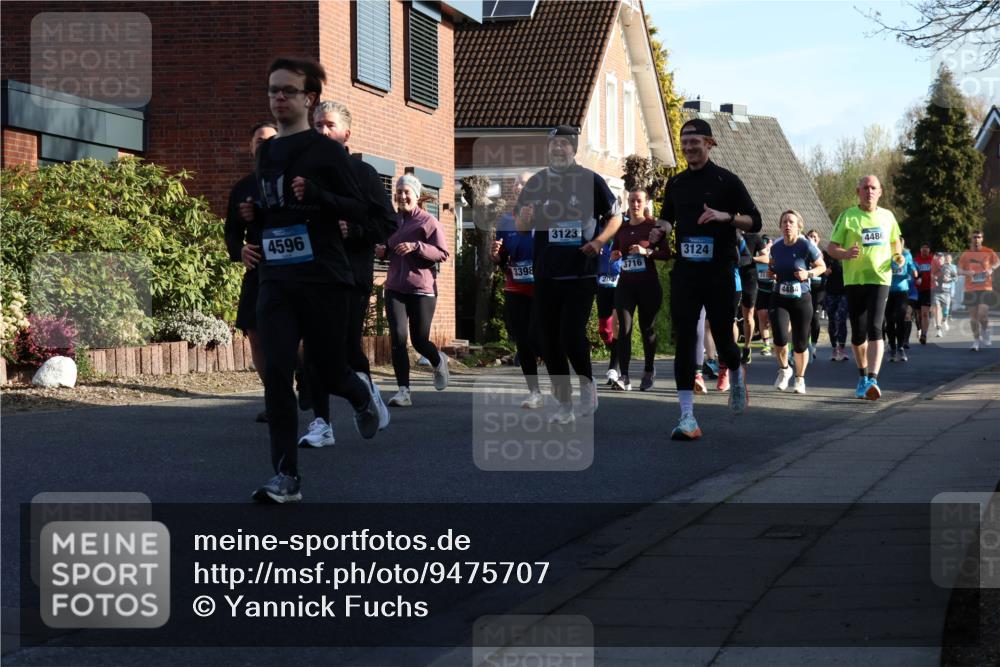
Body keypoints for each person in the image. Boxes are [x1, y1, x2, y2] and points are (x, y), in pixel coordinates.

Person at [245, 57, 387, 503]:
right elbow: (276, 206)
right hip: (277, 279)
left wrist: (321, 196)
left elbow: (370, 213)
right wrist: (254, 216)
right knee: (276, 374)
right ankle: (286, 477)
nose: (278, 98)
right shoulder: (267, 152)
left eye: (287, 90)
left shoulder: (326, 152)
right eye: (272, 90)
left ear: (309, 98)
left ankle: (359, 392)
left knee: (325, 370)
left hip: (324, 278)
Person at [651, 118, 762, 440]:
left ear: (709, 144)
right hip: (686, 271)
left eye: (694, 143)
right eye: (684, 144)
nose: (688, 149)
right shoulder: (676, 184)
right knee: (686, 340)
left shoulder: (726, 181)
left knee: (725, 340)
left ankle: (736, 374)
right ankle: (687, 416)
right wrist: (660, 230)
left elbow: (755, 220)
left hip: (718, 272)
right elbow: (668, 218)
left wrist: (726, 217)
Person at [296, 100, 396, 448]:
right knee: (313, 350)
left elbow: (387, 223)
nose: (322, 131)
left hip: (351, 275)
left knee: (348, 350)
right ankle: (322, 424)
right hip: (311, 272)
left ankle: (368, 395)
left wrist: (353, 231)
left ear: (346, 133)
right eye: (317, 125)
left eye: (329, 125)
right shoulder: (304, 173)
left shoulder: (363, 174)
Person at [514, 125, 622, 424]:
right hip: (547, 274)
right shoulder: (537, 181)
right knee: (545, 341)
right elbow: (522, 228)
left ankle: (587, 384)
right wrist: (526, 214)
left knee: (571, 335)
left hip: (580, 274)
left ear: (574, 149)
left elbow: (615, 216)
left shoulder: (589, 180)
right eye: (554, 145)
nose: (558, 149)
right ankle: (564, 405)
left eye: (564, 144)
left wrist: (599, 242)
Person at [375, 174, 450, 405]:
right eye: (399, 192)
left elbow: (442, 253)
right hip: (395, 287)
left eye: (407, 192)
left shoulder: (428, 222)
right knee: (398, 338)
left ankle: (438, 360)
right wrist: (382, 252)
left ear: (416, 196)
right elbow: (387, 248)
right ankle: (404, 392)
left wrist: (416, 246)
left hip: (421, 289)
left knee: (419, 341)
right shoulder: (391, 221)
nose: (402, 196)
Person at [827, 175, 902, 401]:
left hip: (880, 278)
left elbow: (896, 241)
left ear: (880, 192)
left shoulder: (888, 216)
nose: (869, 191)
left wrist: (898, 256)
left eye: (873, 188)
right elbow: (831, 248)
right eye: (865, 188)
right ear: (857, 191)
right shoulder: (848, 216)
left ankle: (873, 378)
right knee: (858, 333)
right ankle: (861, 377)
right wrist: (846, 254)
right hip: (854, 280)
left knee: (876, 327)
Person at [224, 120, 277, 423]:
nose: (264, 145)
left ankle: (302, 375)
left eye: (271, 140)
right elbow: (231, 232)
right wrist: (239, 250)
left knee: (296, 335)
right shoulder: (242, 187)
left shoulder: (292, 179)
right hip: (257, 268)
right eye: (259, 140)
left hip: (290, 269)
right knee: (254, 334)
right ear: (250, 146)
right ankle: (275, 398)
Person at [610, 188, 669, 391]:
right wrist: (616, 255)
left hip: (648, 285)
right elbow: (615, 250)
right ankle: (624, 376)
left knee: (647, 329)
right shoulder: (622, 228)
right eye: (632, 201)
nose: (635, 205)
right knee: (624, 328)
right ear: (628, 202)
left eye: (639, 201)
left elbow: (666, 254)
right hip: (626, 285)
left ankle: (649, 369)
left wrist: (646, 251)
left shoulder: (654, 226)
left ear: (645, 203)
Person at [490, 182, 542, 409]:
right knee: (522, 340)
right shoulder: (505, 221)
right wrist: (496, 256)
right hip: (515, 288)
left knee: (539, 339)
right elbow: (502, 256)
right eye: (519, 185)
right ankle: (534, 392)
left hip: (541, 290)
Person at [768, 211, 825, 394]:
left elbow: (822, 266)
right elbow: (772, 264)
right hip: (780, 297)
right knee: (780, 338)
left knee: (800, 344)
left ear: (799, 226)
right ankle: (784, 370)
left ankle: (800, 379)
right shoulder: (776, 245)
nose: (787, 225)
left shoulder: (806, 245)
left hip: (802, 298)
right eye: (784, 221)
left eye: (791, 222)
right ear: (780, 225)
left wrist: (807, 274)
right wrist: (772, 273)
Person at [957, 230, 999, 351]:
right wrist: (966, 272)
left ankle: (984, 331)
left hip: (985, 287)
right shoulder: (966, 254)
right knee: (973, 318)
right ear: (971, 238)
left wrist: (991, 269)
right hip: (970, 288)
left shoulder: (988, 251)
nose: (976, 239)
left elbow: (997, 262)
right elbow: (959, 270)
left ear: (982, 239)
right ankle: (976, 341)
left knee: (983, 315)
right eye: (974, 237)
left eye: (978, 237)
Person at [596, 239, 623, 386]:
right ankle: (620, 352)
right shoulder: (598, 231)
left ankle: (614, 366)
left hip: (620, 285)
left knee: (617, 325)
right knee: (605, 331)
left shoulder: (626, 227)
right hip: (602, 286)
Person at [886, 248, 918, 362]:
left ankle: (900, 346)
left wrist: (914, 271)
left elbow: (912, 266)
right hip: (887, 291)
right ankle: (892, 346)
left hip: (902, 291)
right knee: (889, 320)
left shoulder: (906, 254)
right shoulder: (886, 252)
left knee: (900, 319)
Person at [740, 232, 767, 364]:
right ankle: (732, 349)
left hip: (749, 278)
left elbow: (766, 258)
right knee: (731, 317)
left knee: (748, 316)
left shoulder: (754, 237)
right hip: (731, 276)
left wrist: (751, 258)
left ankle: (747, 346)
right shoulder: (727, 232)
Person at [821, 242, 848, 361]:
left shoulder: (847, 255)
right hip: (830, 292)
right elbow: (819, 268)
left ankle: (841, 348)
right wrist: (824, 271)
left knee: (841, 318)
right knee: (832, 320)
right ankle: (834, 348)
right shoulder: (827, 256)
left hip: (844, 292)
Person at [805, 229, 826, 360]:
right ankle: (805, 344)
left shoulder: (822, 253)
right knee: (806, 317)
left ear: (818, 240)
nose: (813, 238)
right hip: (808, 286)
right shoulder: (805, 251)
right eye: (810, 236)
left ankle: (814, 345)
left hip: (819, 289)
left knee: (815, 318)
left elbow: (823, 267)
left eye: (815, 237)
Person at [753, 235, 774, 356]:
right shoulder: (757, 255)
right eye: (763, 242)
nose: (765, 244)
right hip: (761, 290)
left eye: (768, 242)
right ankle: (766, 345)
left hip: (774, 290)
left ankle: (778, 342)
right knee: (762, 317)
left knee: (774, 319)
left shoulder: (775, 253)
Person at [913, 242, 935, 345]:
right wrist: (916, 278)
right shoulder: (915, 260)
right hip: (916, 290)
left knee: (925, 313)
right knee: (918, 313)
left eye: (927, 249)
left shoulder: (933, 260)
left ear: (929, 250)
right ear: (920, 250)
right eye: (923, 249)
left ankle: (924, 335)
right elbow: (911, 272)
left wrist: (936, 276)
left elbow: (940, 271)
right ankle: (920, 329)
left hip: (928, 289)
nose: (925, 251)